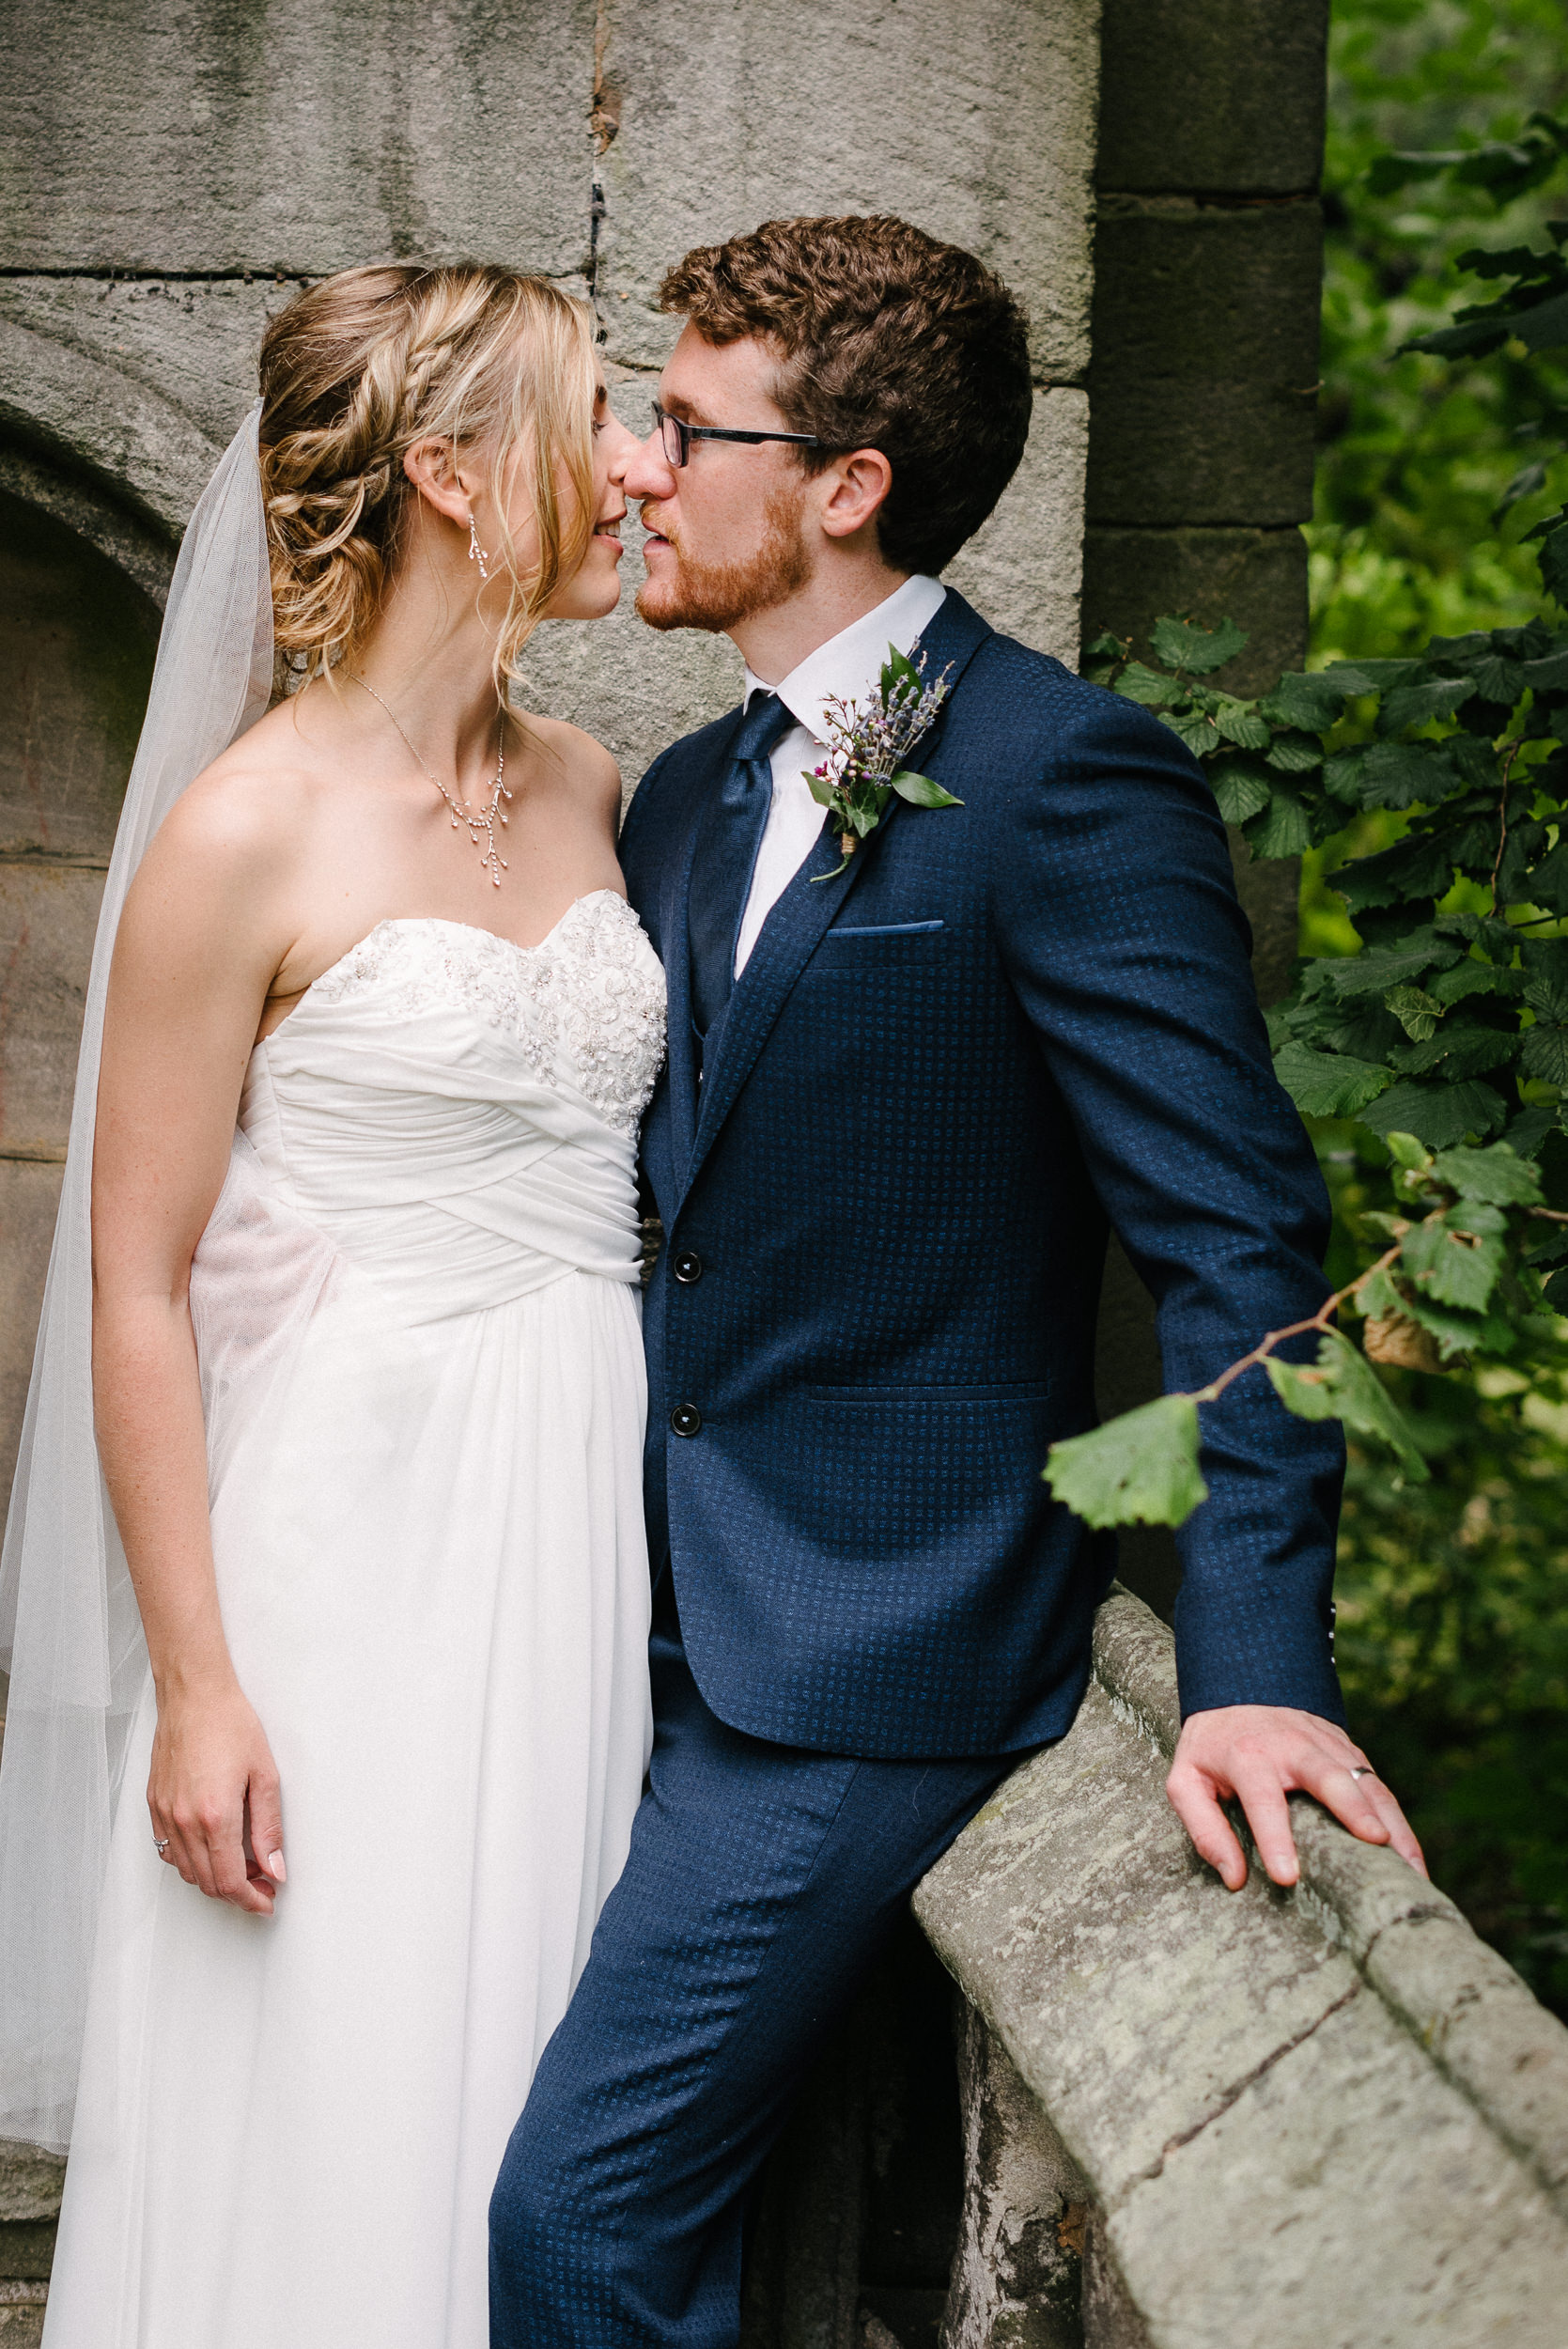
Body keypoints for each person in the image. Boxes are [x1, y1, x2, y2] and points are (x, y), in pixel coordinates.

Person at [488, 213, 1427, 2347]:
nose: (629, 465)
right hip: (609, 1613)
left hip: (873, 1650)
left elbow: (1232, 1240)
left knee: (573, 2219)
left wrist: (1259, 1658)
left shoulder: (1058, 780)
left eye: (682, 423)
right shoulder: (688, 793)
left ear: (844, 485)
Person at [0, 261, 657, 2349]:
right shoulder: (244, 827)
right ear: (456, 473)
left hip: (571, 1514)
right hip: (340, 1543)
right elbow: (134, 1282)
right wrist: (197, 1683)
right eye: (599, 417)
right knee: (337, 2067)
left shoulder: (594, 785)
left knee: (522, 2066)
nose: (641, 464)